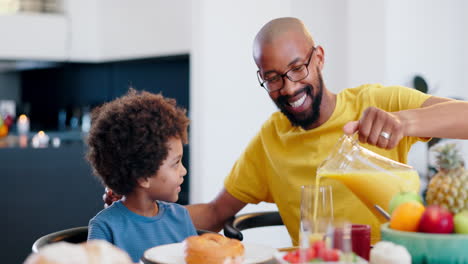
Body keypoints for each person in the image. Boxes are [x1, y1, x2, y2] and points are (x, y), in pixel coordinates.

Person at [106, 17, 468, 245]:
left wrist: (406, 122)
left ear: (319, 58)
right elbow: (216, 212)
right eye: (273, 78)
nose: (290, 87)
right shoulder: (270, 141)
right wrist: (138, 206)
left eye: (298, 68)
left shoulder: (377, 101)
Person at [87, 89, 196, 262]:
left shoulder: (181, 218)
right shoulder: (105, 227)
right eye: (176, 163)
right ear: (143, 176)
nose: (184, 171)